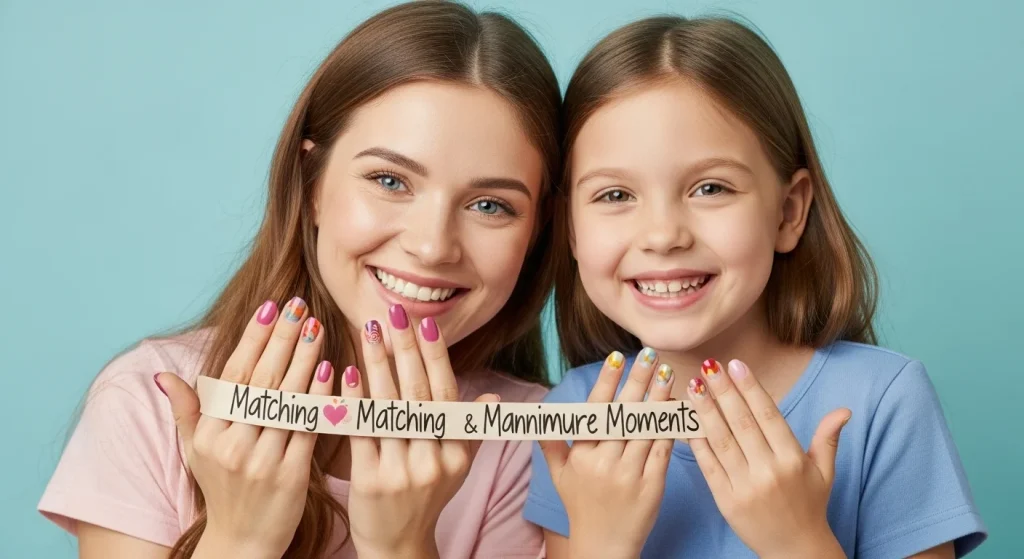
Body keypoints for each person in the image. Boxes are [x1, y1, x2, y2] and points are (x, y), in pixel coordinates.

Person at [38, 2, 562, 557]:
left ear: (536, 229)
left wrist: (403, 544)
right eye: (389, 180)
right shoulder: (151, 402)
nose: (432, 246)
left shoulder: (534, 440)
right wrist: (241, 538)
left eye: (489, 205)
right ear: (312, 183)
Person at [524, 15, 987, 559]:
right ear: (571, 227)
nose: (663, 235)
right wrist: (599, 543)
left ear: (789, 212)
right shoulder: (571, 413)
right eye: (615, 195)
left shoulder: (885, 403)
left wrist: (799, 541)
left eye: (711, 187)